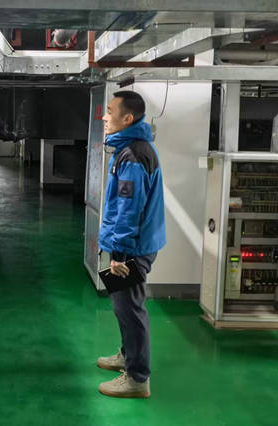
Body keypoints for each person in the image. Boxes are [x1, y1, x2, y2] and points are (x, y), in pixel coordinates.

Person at [96, 90, 166, 398]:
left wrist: (119, 254)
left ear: (127, 118)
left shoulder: (134, 156)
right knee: (123, 307)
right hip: (132, 244)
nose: (104, 117)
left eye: (110, 111)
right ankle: (128, 356)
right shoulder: (129, 149)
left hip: (132, 248)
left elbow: (129, 210)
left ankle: (137, 379)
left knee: (130, 309)